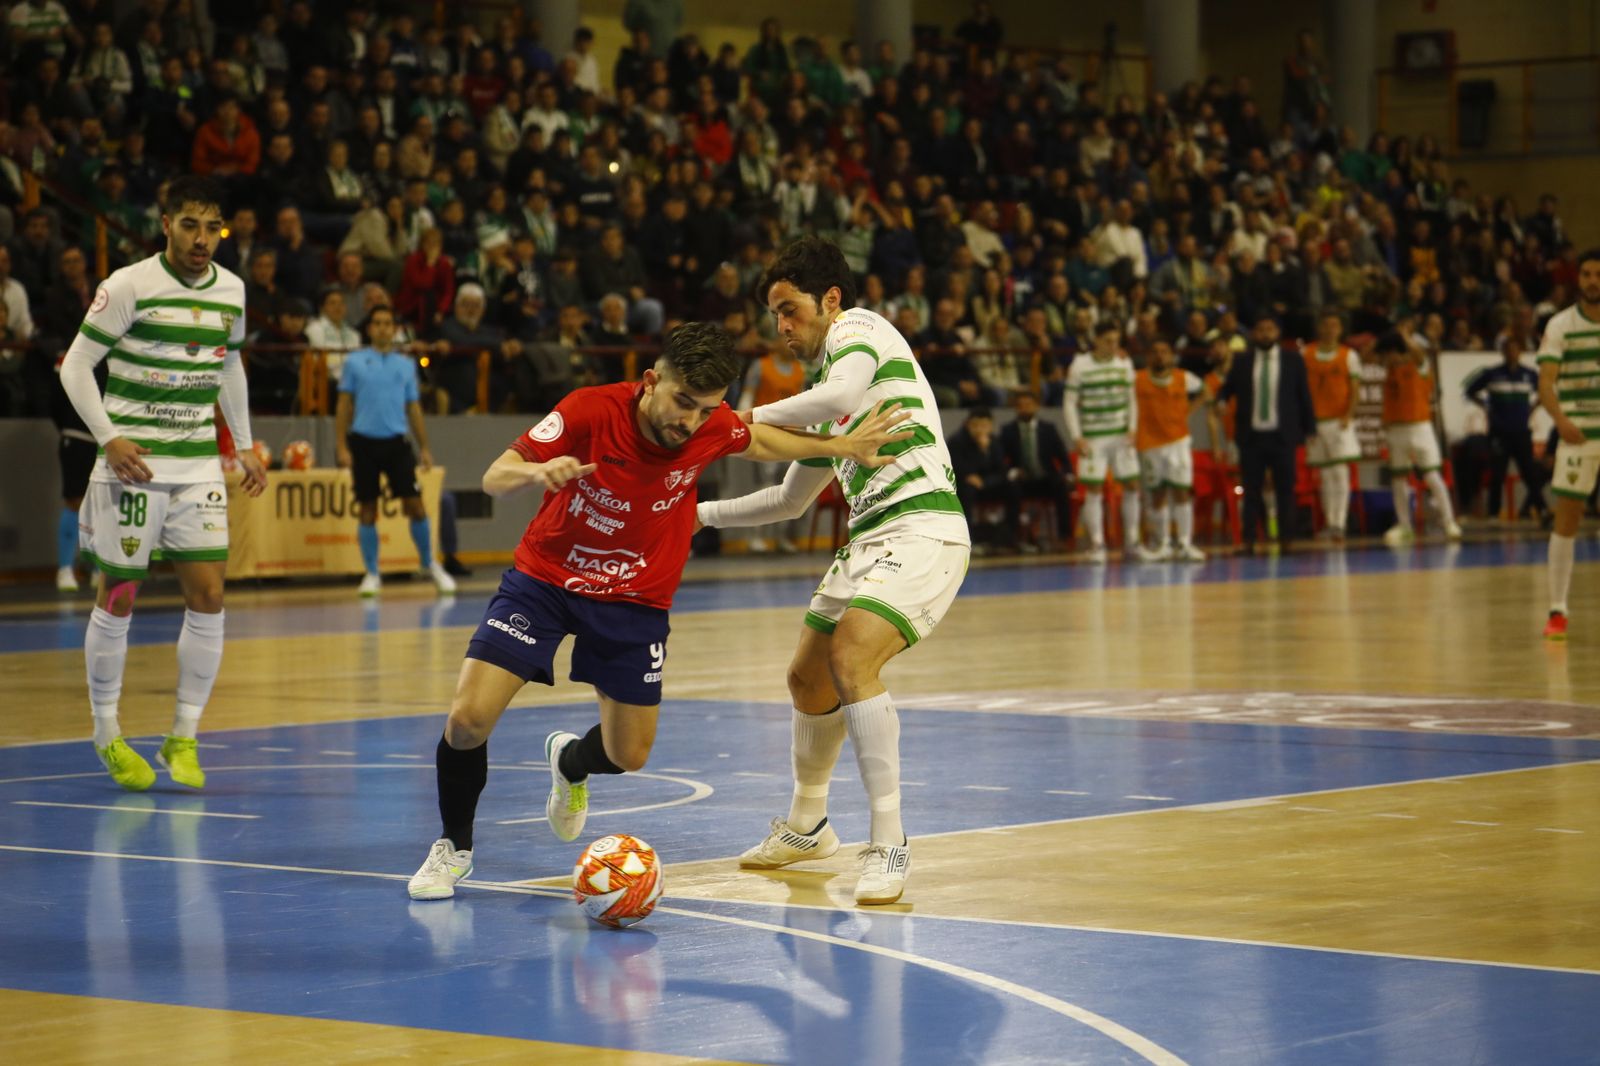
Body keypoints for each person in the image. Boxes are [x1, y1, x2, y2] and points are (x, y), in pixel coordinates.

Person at [405, 322, 913, 900]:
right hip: (545, 580)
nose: (691, 423)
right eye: (682, 403)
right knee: (467, 721)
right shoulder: (588, 411)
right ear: (651, 381)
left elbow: (766, 440)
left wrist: (841, 446)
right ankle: (454, 847)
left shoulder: (711, 425)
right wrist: (536, 472)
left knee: (629, 754)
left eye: (707, 410)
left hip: (635, 600)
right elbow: (495, 477)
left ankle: (570, 761)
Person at [697, 237, 972, 906]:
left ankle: (889, 842)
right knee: (805, 678)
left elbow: (839, 393)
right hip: (871, 539)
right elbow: (788, 501)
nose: (782, 329)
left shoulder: (862, 332)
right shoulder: (827, 393)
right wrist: (696, 516)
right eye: (774, 317)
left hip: (925, 527)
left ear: (830, 300)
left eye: (789, 311)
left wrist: (741, 419)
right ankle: (807, 827)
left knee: (852, 657)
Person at [56, 174, 268, 791]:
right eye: (190, 225)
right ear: (165, 222)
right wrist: (109, 439)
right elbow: (74, 366)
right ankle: (106, 733)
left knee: (208, 596)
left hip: (197, 462)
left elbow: (229, 365)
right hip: (133, 466)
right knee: (118, 596)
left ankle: (183, 734)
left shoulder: (231, 289)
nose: (203, 240)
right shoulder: (128, 285)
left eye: (213, 228)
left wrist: (246, 444)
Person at [334, 306, 456, 597]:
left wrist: (424, 447)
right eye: (377, 323)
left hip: (397, 443)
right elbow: (342, 405)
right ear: (370, 328)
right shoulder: (354, 362)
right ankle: (372, 573)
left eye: (388, 323)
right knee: (367, 508)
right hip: (363, 442)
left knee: (415, 505)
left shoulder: (405, 365)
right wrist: (341, 445)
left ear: (395, 328)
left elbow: (413, 408)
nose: (383, 328)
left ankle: (430, 565)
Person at [1536, 248, 1600, 640]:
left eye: (1599, 274)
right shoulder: (1560, 325)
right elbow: (1546, 382)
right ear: (1578, 279)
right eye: (1588, 274)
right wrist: (1560, 421)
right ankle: (1557, 609)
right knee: (1567, 517)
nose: (1594, 281)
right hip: (1579, 430)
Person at [1214, 314, 1316, 551]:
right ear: (1253, 334)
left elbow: (1304, 396)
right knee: (1251, 491)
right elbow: (1226, 388)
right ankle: (1249, 540)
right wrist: (1221, 400)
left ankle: (1286, 539)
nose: (1265, 334)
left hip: (1283, 436)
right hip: (1252, 436)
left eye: (1270, 329)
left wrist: (1310, 427)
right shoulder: (1242, 361)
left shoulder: (1292, 360)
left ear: (1277, 333)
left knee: (1285, 490)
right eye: (1260, 329)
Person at [1065, 321, 1153, 563]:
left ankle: (1132, 543)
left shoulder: (1124, 363)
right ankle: (1097, 544)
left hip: (1121, 435)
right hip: (1093, 437)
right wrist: (1076, 435)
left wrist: (1133, 428)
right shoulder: (1079, 365)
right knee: (1093, 489)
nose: (1114, 345)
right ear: (1096, 340)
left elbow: (1131, 398)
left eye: (1117, 340)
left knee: (1133, 485)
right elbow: (1070, 403)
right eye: (1108, 341)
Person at [1378, 324, 1462, 546]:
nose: (1389, 358)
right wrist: (1386, 339)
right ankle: (1404, 525)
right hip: (1395, 429)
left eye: (1392, 353)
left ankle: (1449, 522)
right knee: (1398, 479)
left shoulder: (1419, 366)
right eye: (1387, 354)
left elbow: (1418, 353)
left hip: (1420, 427)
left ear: (1401, 351)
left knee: (1432, 476)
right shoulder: (1388, 370)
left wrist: (1404, 336)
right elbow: (1369, 353)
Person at [1134, 339, 1207, 561]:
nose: (1160, 356)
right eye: (1155, 351)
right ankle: (1162, 544)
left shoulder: (1184, 378)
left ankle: (1185, 543)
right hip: (1150, 444)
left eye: (1164, 351)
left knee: (1182, 492)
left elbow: (1206, 391)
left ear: (1171, 355)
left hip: (1178, 442)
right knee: (1157, 494)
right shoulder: (1137, 380)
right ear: (1148, 357)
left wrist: (1188, 411)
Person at [1464, 337, 1549, 524]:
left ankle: (1542, 509)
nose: (1511, 353)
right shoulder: (1492, 374)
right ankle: (1494, 513)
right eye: (1508, 349)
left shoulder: (1528, 374)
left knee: (1529, 473)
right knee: (1497, 474)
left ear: (1520, 352)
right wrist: (1486, 406)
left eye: (1515, 349)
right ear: (1503, 352)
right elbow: (1469, 390)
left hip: (1521, 432)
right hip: (1499, 433)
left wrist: (1532, 409)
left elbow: (1544, 391)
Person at [1303, 309, 1364, 541]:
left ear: (1340, 329)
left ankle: (1340, 523)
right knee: (1325, 475)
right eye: (1326, 324)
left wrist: (1349, 414)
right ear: (1319, 327)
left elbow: (1355, 390)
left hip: (1339, 422)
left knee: (1340, 472)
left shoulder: (1349, 356)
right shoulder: (1306, 354)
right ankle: (1330, 522)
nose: (1330, 329)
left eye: (1334, 325)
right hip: (1316, 422)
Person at [998, 391, 1073, 549]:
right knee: (1010, 490)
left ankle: (1064, 537)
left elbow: (1063, 457)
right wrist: (1011, 471)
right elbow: (999, 460)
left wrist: (1067, 474)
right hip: (1021, 480)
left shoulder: (1049, 429)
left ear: (1036, 407)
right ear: (1016, 409)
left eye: (1028, 405)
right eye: (1021, 406)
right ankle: (1013, 539)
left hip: (1046, 478)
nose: (1025, 409)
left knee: (1061, 487)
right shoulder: (1008, 431)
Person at [948, 407, 1015, 554]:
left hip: (988, 485)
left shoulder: (994, 442)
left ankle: (1010, 539)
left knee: (1013, 488)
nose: (979, 429)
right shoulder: (956, 441)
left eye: (984, 425)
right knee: (966, 490)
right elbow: (957, 469)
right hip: (965, 486)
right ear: (968, 425)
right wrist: (971, 471)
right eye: (975, 425)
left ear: (991, 426)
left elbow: (1002, 471)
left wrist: (985, 451)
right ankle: (970, 539)